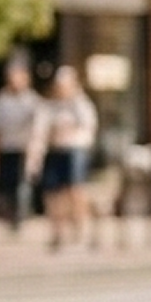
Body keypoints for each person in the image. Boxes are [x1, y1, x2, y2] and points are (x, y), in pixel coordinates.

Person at [39, 64, 103, 251]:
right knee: (53, 193)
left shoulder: (80, 105)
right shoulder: (51, 106)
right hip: (54, 150)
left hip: (75, 150)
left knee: (75, 191)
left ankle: (81, 228)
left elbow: (88, 130)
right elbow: (42, 128)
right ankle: (57, 232)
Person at [0, 58, 46, 235]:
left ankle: (20, 217)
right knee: (6, 186)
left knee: (22, 186)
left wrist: (35, 153)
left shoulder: (33, 101)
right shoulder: (0, 101)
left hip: (24, 149)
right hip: (6, 148)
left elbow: (39, 130)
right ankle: (9, 217)